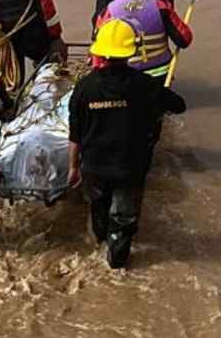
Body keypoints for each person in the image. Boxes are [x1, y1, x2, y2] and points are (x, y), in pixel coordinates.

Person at [68, 19, 187, 269]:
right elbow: (179, 105)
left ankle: (99, 240)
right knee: (123, 218)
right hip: (130, 167)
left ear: (100, 51)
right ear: (130, 51)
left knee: (98, 207)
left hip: (94, 166)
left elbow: (75, 135)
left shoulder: (84, 88)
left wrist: (72, 168)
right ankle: (117, 262)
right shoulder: (144, 85)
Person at [93, 0, 193, 81]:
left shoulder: (108, 11)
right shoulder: (161, 4)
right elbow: (184, 40)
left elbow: (98, 51)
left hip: (126, 79)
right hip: (160, 77)